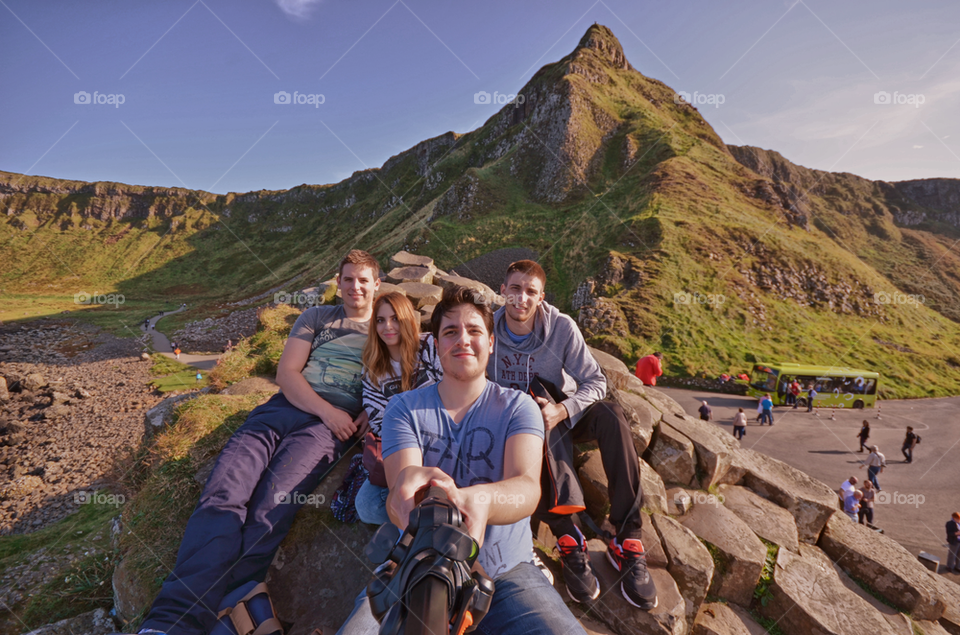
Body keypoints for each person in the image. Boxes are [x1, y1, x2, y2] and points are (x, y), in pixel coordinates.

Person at [138, 250, 380, 635]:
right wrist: (329, 413)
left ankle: (232, 604)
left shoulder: (385, 326)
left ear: (377, 284)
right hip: (283, 410)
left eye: (363, 279)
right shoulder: (316, 317)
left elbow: (403, 377)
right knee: (223, 494)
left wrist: (370, 411)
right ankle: (171, 622)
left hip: (323, 432)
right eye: (348, 279)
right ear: (339, 282)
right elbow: (287, 373)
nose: (355, 287)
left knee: (271, 505)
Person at [335, 285, 588, 635]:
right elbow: (399, 488)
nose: (463, 340)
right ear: (436, 345)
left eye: (474, 331)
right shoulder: (403, 409)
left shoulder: (519, 408)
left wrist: (480, 500)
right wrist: (404, 499)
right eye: (450, 332)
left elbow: (527, 489)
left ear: (491, 342)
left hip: (506, 574)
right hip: (415, 567)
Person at [488, 260, 658, 610]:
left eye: (530, 292)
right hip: (516, 421)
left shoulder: (561, 328)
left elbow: (596, 381)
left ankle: (627, 537)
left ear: (542, 297)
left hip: (562, 410)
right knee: (533, 414)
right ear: (503, 290)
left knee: (611, 416)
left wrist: (562, 410)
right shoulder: (488, 330)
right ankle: (568, 535)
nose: (521, 299)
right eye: (515, 289)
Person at [354, 292, 442, 526]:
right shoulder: (373, 367)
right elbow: (379, 422)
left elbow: (449, 392)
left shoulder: (429, 347)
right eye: (380, 320)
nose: (388, 327)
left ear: (407, 320)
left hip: (442, 440)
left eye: (395, 319)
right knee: (366, 506)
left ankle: (427, 519)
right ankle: (426, 521)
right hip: (403, 449)